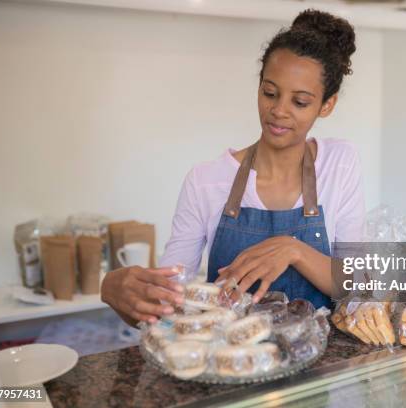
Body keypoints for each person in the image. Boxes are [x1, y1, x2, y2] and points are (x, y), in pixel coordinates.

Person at [102, 9, 365, 326]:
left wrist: (293, 250)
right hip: (230, 364)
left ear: (327, 105)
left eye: (300, 102)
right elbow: (166, 303)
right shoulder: (206, 181)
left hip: (319, 367)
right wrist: (115, 289)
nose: (278, 111)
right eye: (270, 93)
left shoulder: (340, 162)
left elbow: (360, 286)